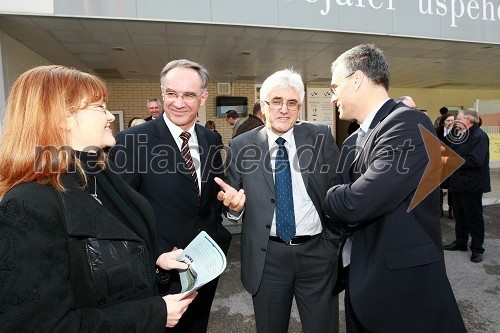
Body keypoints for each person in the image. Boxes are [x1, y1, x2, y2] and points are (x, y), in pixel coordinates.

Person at [0, 65, 196, 332]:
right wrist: (153, 314)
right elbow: (40, 324)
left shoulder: (100, 174)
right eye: (100, 107)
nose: (110, 117)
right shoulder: (27, 205)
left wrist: (156, 261)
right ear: (62, 118)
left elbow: (98, 261)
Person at [325, 44, 466, 332]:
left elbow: (355, 203)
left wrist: (330, 195)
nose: (333, 97)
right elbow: (349, 200)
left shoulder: (408, 123)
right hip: (361, 280)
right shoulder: (353, 141)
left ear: (357, 80)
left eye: (335, 87)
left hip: (403, 292)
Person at [111, 59, 232, 333]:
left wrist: (230, 208)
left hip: (204, 269)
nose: (178, 102)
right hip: (159, 275)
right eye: (171, 93)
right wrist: (155, 254)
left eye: (189, 95)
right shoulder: (132, 141)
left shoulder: (211, 140)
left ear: (203, 98)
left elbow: (210, 200)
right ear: (162, 92)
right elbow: (118, 212)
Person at [220, 69, 341, 333]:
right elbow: (232, 199)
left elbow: (338, 191)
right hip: (268, 259)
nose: (284, 110)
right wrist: (233, 210)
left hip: (317, 254)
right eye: (276, 101)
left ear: (300, 106)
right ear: (263, 106)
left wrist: (332, 242)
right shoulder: (242, 145)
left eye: (292, 102)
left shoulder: (320, 136)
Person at [443, 108, 490, 263]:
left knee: (473, 218)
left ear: (469, 120)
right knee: (460, 215)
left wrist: (450, 161)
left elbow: (475, 161)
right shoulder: (460, 133)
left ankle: (477, 249)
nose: (456, 120)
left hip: (472, 184)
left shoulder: (480, 136)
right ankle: (461, 242)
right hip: (457, 183)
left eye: (459, 117)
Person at [436, 113, 455, 219]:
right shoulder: (437, 131)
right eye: (448, 121)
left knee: (451, 187)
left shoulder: (457, 131)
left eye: (452, 120)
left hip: (450, 162)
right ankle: (439, 208)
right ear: (443, 121)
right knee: (439, 186)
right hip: (438, 162)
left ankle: (451, 208)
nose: (450, 123)